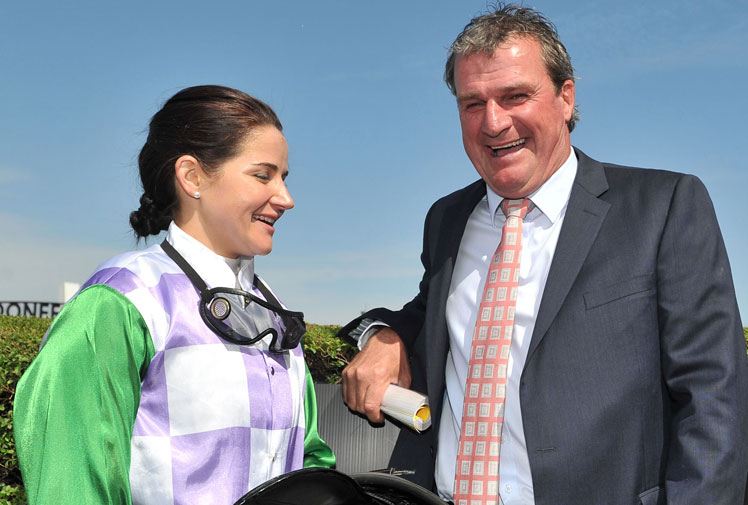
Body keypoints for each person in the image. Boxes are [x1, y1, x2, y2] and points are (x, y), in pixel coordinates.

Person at [338, 5, 748, 505]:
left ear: (565, 97)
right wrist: (388, 336)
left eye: (515, 96)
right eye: (473, 103)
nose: (493, 122)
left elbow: (713, 398)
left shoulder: (663, 207)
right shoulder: (445, 220)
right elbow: (431, 316)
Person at [14, 85, 334, 505]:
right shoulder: (118, 302)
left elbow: (307, 460)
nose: (286, 198)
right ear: (192, 177)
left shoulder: (273, 312)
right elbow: (71, 484)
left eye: (284, 178)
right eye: (263, 175)